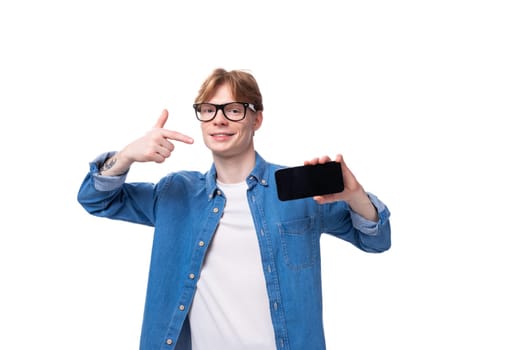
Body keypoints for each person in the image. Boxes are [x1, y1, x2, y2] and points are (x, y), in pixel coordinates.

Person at [77, 68, 392, 350]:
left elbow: (376, 240)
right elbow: (96, 199)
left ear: (257, 119)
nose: (219, 119)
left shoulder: (298, 193)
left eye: (234, 109)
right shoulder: (176, 193)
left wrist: (355, 195)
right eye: (208, 109)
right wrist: (127, 156)